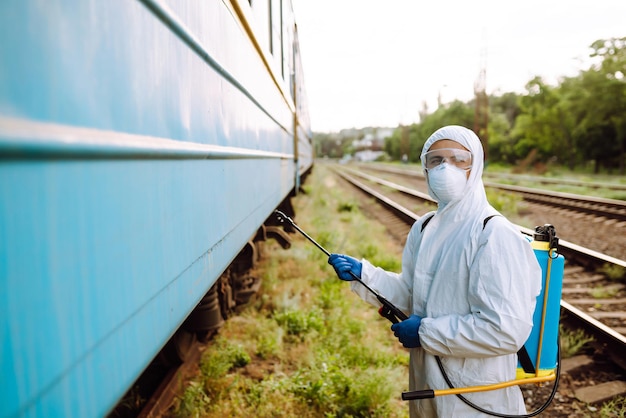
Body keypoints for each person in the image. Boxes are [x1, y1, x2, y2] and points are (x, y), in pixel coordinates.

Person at [328, 125, 542, 417]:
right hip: (428, 383)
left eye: (458, 159)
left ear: (475, 165)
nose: (446, 168)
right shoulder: (425, 227)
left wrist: (426, 331)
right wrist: (364, 275)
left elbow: (505, 330)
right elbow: (411, 295)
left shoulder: (493, 233)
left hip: (478, 398)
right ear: (425, 167)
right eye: (436, 160)